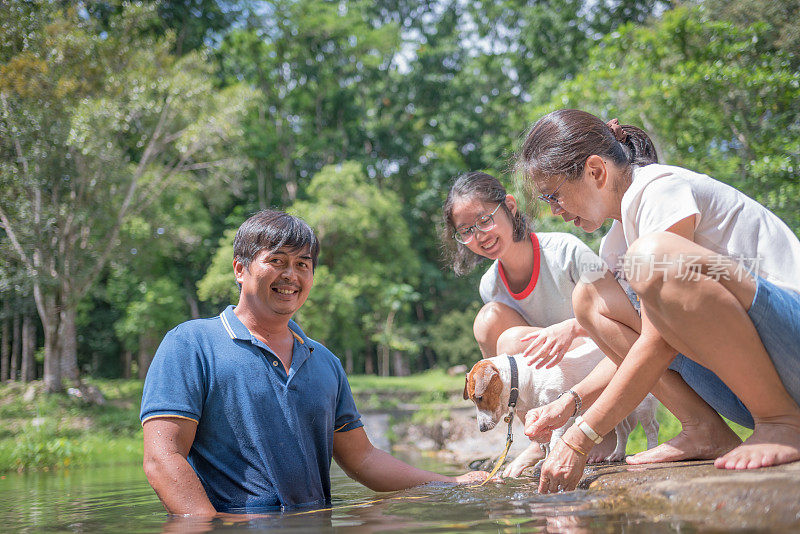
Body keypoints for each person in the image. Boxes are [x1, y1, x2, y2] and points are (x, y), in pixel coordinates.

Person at [517, 109, 800, 494]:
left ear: (596, 171)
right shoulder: (616, 240)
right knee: (590, 297)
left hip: (789, 343)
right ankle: (704, 428)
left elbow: (657, 342)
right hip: (754, 379)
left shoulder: (659, 188)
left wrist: (580, 437)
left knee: (652, 258)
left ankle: (781, 420)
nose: (554, 211)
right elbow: (639, 345)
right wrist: (570, 403)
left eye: (554, 195)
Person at [140, 210, 486, 515]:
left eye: (302, 264)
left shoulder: (325, 362)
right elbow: (163, 458)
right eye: (276, 261)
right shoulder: (191, 344)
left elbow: (362, 459)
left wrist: (452, 482)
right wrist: (211, 527)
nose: (291, 274)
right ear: (240, 269)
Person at [442, 171, 621, 468]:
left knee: (510, 340)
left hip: (599, 363)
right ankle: (541, 438)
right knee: (488, 321)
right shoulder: (491, 285)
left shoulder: (566, 250)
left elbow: (621, 313)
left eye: (485, 220)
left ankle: (605, 427)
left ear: (510, 207)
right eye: (467, 231)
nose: (480, 235)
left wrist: (572, 326)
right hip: (548, 382)